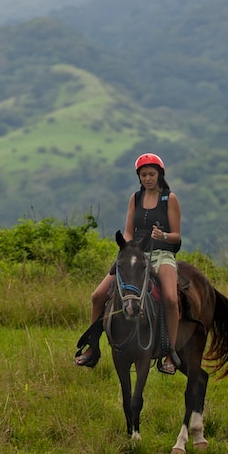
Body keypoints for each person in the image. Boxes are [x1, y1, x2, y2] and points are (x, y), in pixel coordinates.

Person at [74, 153, 183, 374]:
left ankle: (170, 353)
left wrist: (162, 236)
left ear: (159, 174)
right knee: (97, 295)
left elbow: (177, 236)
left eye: (151, 174)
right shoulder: (135, 198)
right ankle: (92, 347)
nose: (147, 178)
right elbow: (128, 230)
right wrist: (127, 247)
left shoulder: (169, 199)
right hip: (135, 253)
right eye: (143, 175)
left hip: (162, 254)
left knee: (171, 299)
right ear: (139, 177)